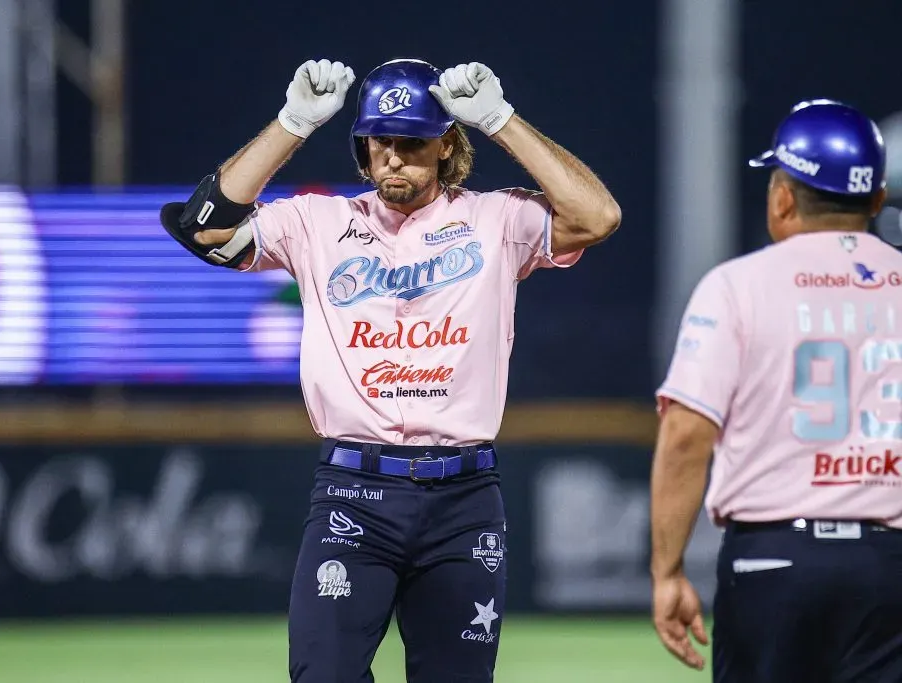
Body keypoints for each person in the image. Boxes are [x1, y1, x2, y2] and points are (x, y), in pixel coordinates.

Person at [159, 57, 620, 682]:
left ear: (446, 145)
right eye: (381, 140)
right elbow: (203, 227)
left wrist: (501, 120)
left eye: (412, 141)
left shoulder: (496, 219)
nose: (394, 156)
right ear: (362, 146)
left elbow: (598, 217)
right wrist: (292, 123)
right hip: (354, 495)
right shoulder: (315, 224)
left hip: (463, 499)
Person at [649, 99, 902, 683]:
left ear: (783, 194)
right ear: (876, 199)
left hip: (774, 562)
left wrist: (667, 571)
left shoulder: (736, 286)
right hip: (890, 567)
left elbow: (687, 435)